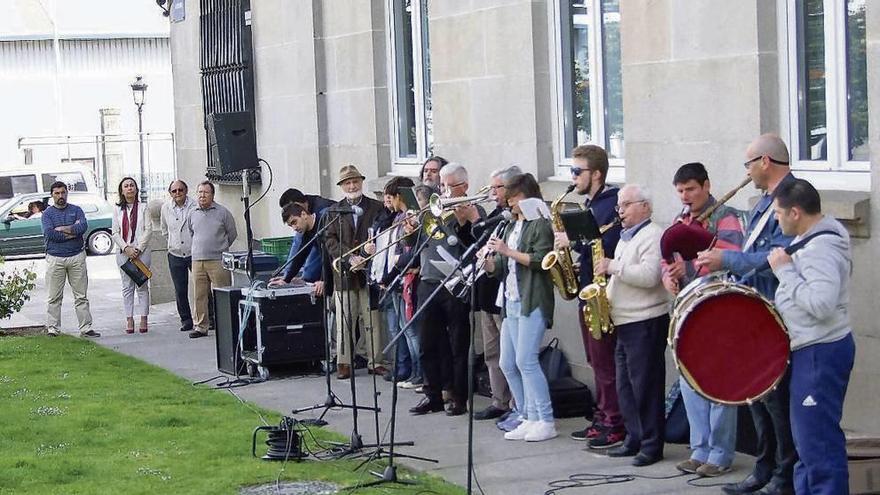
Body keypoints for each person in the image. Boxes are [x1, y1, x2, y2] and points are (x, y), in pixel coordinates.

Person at [697, 133, 797, 495]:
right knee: (756, 395)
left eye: (749, 164)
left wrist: (728, 259)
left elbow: (776, 258)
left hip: (777, 311)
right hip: (752, 308)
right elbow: (749, 247)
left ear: (765, 162)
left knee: (777, 402)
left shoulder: (792, 198)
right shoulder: (761, 202)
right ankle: (764, 467)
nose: (747, 172)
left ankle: (784, 477)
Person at [769, 179, 854, 495]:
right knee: (806, 446)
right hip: (810, 349)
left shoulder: (821, 248)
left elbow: (821, 303)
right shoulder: (813, 238)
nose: (776, 219)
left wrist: (785, 272)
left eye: (778, 213)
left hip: (821, 350)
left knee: (818, 446)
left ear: (795, 212)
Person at [661, 163, 744, 477]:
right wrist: (667, 277)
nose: (686, 196)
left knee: (719, 381)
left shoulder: (726, 216)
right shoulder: (680, 220)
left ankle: (721, 454)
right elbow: (667, 258)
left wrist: (691, 269)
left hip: (718, 307)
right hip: (688, 307)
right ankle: (700, 449)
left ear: (707, 186)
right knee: (690, 380)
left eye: (691, 189)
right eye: (680, 191)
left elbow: (730, 257)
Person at [553, 144, 624, 448]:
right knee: (597, 362)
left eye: (576, 171)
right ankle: (602, 415)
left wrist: (572, 240)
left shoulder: (611, 204)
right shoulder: (590, 205)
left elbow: (607, 241)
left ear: (596, 174)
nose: (572, 178)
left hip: (603, 295)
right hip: (586, 290)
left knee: (606, 363)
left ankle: (613, 421)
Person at [483, 172, 557, 442]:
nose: (510, 203)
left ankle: (545, 419)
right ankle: (528, 414)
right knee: (507, 362)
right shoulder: (513, 225)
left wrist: (507, 251)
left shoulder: (539, 223)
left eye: (514, 198)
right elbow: (503, 267)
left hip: (532, 299)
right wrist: (489, 263)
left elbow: (541, 260)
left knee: (527, 360)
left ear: (526, 196)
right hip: (511, 299)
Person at [599, 184, 668, 467]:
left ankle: (652, 445)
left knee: (646, 387)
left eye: (626, 205)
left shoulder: (654, 235)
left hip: (646, 320)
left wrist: (612, 267)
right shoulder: (626, 237)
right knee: (625, 386)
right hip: (624, 321)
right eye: (619, 205)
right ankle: (634, 438)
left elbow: (650, 276)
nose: (620, 211)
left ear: (645, 207)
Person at [408, 163, 483, 416]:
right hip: (429, 281)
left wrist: (465, 223)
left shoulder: (475, 210)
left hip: (457, 284)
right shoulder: (432, 209)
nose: (445, 192)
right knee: (427, 343)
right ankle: (433, 395)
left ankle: (459, 398)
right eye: (442, 186)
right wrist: (409, 230)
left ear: (465, 186)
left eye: (451, 186)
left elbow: (477, 246)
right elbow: (417, 243)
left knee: (457, 345)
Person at [322, 164, 385, 380]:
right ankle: (344, 362)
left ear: (361, 182)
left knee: (371, 319)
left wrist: (367, 256)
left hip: (369, 272)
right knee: (344, 319)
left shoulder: (376, 207)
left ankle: (375, 361)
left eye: (355, 181)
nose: (352, 186)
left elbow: (382, 233)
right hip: (345, 274)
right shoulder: (333, 211)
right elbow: (330, 240)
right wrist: (350, 257)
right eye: (347, 183)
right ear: (341, 186)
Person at [472, 165, 520, 422]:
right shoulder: (496, 216)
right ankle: (499, 401)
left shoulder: (516, 217)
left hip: (506, 296)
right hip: (487, 292)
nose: (492, 193)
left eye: (496, 188)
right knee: (493, 354)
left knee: (512, 356)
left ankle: (517, 403)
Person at [366, 176, 418, 384]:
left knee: (410, 330)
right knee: (397, 328)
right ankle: (404, 368)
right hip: (390, 276)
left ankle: (416, 371)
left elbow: (403, 250)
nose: (388, 202)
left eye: (390, 197)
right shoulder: (394, 217)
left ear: (399, 196)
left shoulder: (409, 217)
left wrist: (390, 275)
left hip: (402, 277)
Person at [40, 181, 99, 338]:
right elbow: (50, 234)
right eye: (57, 193)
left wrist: (63, 229)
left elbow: (82, 228)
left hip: (76, 257)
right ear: (52, 195)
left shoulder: (76, 210)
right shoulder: (47, 214)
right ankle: (53, 328)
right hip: (55, 258)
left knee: (81, 295)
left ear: (67, 193)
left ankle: (86, 328)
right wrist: (72, 232)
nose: (61, 196)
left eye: (63, 192)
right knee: (54, 297)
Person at [188, 181, 238, 339]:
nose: (202, 195)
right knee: (199, 295)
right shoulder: (192, 213)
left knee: (221, 293)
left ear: (212, 195)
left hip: (217, 260)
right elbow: (191, 232)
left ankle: (225, 325)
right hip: (197, 260)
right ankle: (201, 327)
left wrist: (220, 247)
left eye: (206, 192)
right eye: (200, 192)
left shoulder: (223, 212)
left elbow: (232, 234)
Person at [111, 177, 153, 334]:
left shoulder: (144, 207)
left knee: (142, 285)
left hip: (141, 253)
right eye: (126, 186)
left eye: (132, 185)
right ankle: (129, 319)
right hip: (124, 253)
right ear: (122, 191)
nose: (129, 188)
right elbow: (115, 232)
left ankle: (144, 318)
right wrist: (126, 248)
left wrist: (138, 249)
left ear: (136, 189)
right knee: (127, 287)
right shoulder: (117, 209)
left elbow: (148, 229)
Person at [270, 188, 333, 287]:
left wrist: (325, 281)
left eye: (294, 222)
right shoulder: (306, 225)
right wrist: (287, 278)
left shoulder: (324, 212)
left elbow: (330, 253)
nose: (294, 228)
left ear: (303, 212)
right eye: (291, 225)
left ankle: (310, 279)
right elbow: (300, 251)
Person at [160, 180, 197, 333]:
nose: (177, 193)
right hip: (175, 253)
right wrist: (172, 243)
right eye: (174, 191)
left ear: (186, 190)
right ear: (170, 193)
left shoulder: (194, 206)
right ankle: (186, 319)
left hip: (193, 252)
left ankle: (209, 317)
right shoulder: (165, 208)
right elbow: (164, 229)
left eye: (180, 190)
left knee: (201, 288)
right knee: (180, 289)